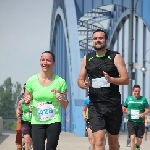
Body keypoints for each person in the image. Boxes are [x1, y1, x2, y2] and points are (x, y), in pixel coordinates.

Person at [77, 28, 129, 150]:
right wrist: (83, 84)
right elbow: (79, 80)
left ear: (106, 40)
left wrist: (111, 80)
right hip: (95, 106)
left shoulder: (115, 57)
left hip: (113, 105)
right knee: (98, 141)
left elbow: (126, 79)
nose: (97, 40)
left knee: (113, 143)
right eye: (95, 38)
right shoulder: (87, 58)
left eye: (100, 38)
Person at [23, 51, 68, 150]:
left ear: (53, 63)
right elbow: (26, 102)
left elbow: (65, 105)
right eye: (43, 60)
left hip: (54, 120)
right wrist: (27, 100)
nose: (45, 63)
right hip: (37, 121)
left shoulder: (60, 82)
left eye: (48, 60)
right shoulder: (31, 81)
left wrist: (61, 99)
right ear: (40, 62)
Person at [123, 85, 150, 150]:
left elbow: (148, 109)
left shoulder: (143, 99)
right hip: (131, 122)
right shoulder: (128, 99)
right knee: (132, 137)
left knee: (139, 141)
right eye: (135, 91)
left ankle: (137, 146)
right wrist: (126, 111)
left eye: (138, 91)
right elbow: (124, 107)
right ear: (133, 91)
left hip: (140, 122)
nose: (137, 92)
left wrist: (143, 114)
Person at [15, 83, 26, 150]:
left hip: (30, 118)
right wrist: (18, 114)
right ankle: (19, 144)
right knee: (19, 130)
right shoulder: (20, 97)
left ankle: (26, 144)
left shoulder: (32, 97)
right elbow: (16, 107)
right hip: (21, 118)